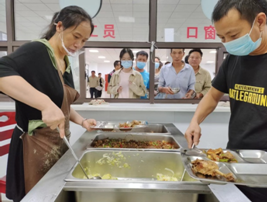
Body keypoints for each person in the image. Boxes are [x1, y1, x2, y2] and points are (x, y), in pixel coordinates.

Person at [0, 6, 97, 201]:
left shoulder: (64, 60)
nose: (78, 44)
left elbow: (62, 103)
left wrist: (82, 121)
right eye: (76, 36)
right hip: (34, 146)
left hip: (58, 143)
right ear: (59, 26)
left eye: (84, 41)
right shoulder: (37, 51)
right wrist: (44, 104)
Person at [184, 0, 267, 201]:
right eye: (222, 37)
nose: (229, 43)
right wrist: (195, 121)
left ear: (260, 21)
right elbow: (213, 95)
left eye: (234, 35)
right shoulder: (234, 59)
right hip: (236, 160)